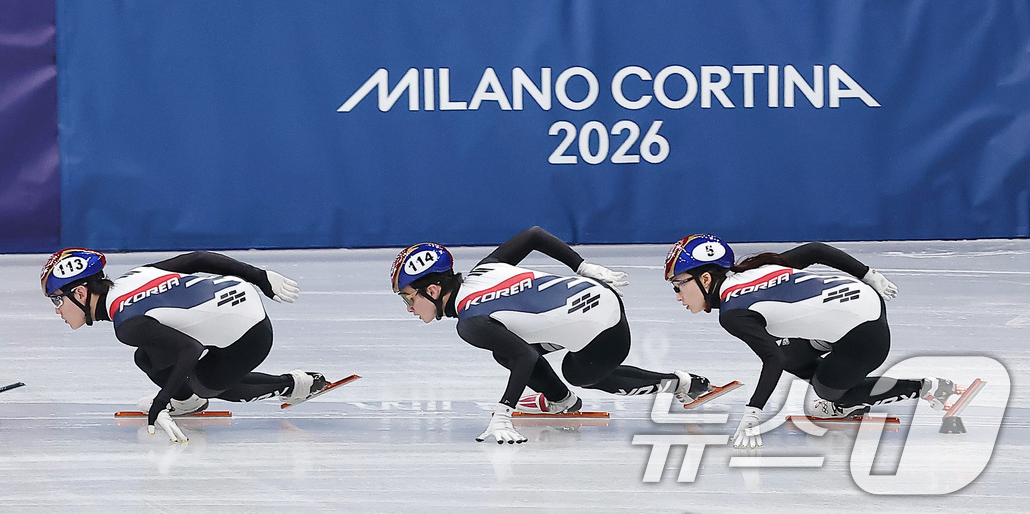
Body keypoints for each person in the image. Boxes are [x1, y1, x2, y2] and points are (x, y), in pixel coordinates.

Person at [391, 226, 722, 445]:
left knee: (580, 373)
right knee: (503, 349)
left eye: (408, 297)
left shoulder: (470, 321)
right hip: (597, 298)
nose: (409, 307)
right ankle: (562, 401)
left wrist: (505, 412)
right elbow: (534, 235)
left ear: (433, 289)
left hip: (603, 329)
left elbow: (526, 356)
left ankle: (680, 383)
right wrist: (583, 266)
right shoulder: (485, 268)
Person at [662, 234, 957, 449]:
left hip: (865, 334)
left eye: (679, 285)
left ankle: (925, 387)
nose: (677, 296)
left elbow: (771, 361)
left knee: (826, 393)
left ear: (706, 280)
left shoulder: (733, 312)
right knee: (784, 348)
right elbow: (815, 249)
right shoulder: (751, 269)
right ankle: (831, 362)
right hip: (860, 302)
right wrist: (869, 275)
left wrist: (753, 414)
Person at [39, 248, 330, 443]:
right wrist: (260, 277)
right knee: (147, 357)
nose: (57, 310)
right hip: (239, 298)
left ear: (79, 292)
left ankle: (295, 385)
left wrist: (161, 401)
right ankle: (187, 401)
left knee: (204, 383)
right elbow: (198, 259)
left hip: (249, 333)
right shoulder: (134, 276)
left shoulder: (127, 323)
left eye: (57, 300)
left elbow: (189, 349)